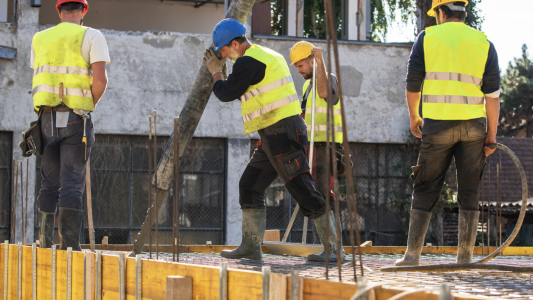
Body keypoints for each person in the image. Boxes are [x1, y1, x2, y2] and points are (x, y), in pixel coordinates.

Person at [203, 18, 343, 261]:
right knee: (249, 186)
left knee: (303, 189)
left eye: (224, 51)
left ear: (235, 44)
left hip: (280, 133)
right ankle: (250, 246)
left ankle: (334, 250)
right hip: (275, 133)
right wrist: (224, 73)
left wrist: (216, 72)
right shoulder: (267, 55)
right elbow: (245, 91)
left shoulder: (248, 61)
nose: (223, 56)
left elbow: (225, 93)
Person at [396, 0, 500, 266]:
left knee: (425, 187)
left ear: (441, 12)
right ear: (462, 12)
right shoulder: (483, 42)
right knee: (469, 190)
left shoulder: (427, 38)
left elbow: (412, 83)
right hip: (473, 127)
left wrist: (414, 117)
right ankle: (464, 257)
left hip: (438, 125)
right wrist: (491, 136)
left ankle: (412, 256)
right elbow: (492, 97)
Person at [32, 0, 110, 250]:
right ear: (83, 10)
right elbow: (100, 80)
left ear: (58, 10)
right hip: (76, 119)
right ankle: (69, 248)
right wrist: (89, 105)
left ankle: (43, 243)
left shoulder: (39, 39)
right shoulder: (92, 36)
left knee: (48, 184)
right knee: (72, 183)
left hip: (45, 120)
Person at [289, 41, 344, 244]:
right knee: (314, 194)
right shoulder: (306, 85)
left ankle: (332, 247)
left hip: (326, 145)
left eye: (301, 66)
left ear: (312, 61)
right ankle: (322, 244)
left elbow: (324, 94)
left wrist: (321, 62)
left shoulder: (329, 79)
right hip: (310, 146)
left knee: (323, 194)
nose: (299, 71)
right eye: (296, 67)